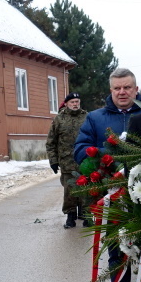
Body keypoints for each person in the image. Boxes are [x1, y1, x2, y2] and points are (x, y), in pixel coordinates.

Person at [74, 68, 141, 282]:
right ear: (111, 90)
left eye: (127, 87)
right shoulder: (95, 119)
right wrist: (109, 152)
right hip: (114, 198)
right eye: (117, 88)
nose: (122, 92)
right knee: (117, 252)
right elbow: (80, 150)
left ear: (136, 89)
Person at [45, 92, 88, 228]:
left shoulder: (87, 117)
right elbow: (51, 142)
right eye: (72, 102)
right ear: (67, 103)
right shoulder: (59, 119)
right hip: (67, 161)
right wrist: (53, 161)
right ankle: (70, 216)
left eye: (77, 102)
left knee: (86, 187)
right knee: (69, 189)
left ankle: (86, 215)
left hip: (84, 160)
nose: (75, 104)